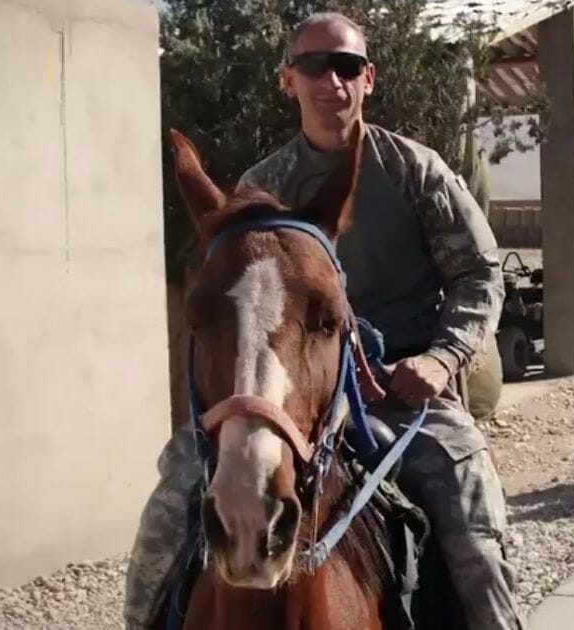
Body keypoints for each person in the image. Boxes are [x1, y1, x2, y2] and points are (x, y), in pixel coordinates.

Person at [124, 12, 524, 630]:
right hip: (292, 398)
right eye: (314, 65)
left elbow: (479, 273)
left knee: (469, 506)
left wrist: (441, 360)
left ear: (369, 79)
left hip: (402, 392)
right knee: (170, 498)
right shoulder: (262, 186)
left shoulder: (418, 172)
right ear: (289, 79)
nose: (331, 80)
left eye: (347, 66)